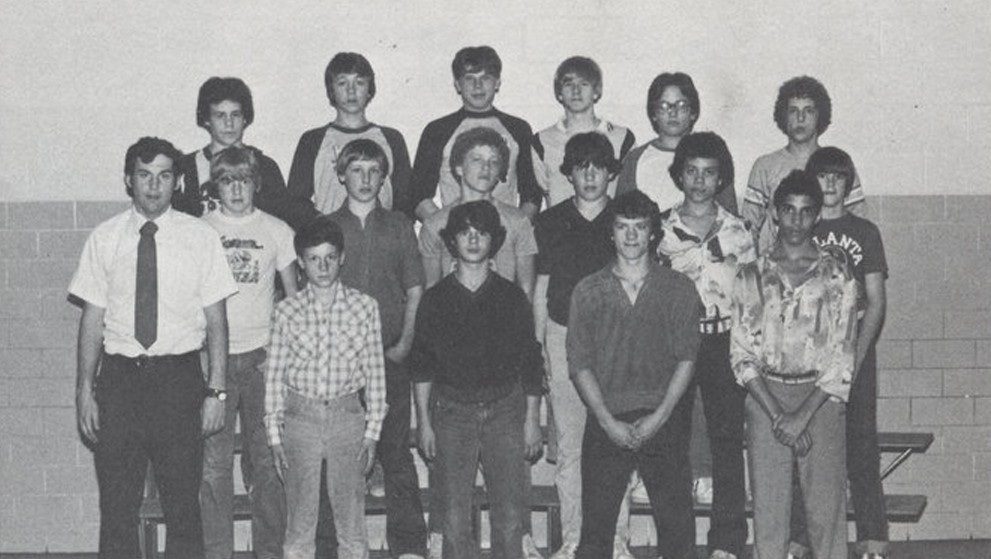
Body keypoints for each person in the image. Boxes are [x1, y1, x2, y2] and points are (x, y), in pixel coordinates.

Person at [70, 137, 236, 559]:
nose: (154, 186)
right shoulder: (105, 238)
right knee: (117, 508)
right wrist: (85, 390)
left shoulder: (201, 237)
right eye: (144, 175)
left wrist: (216, 392)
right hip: (120, 383)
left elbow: (217, 322)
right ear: (129, 180)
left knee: (183, 508)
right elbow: (91, 321)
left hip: (178, 382)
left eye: (164, 176)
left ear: (177, 182)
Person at [730, 170, 858, 559]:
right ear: (774, 212)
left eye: (806, 211)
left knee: (825, 511)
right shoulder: (751, 274)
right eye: (788, 210)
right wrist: (778, 416)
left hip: (820, 399)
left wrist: (802, 416)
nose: (796, 221)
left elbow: (842, 354)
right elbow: (741, 353)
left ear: (817, 215)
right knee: (769, 512)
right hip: (766, 396)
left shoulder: (836, 274)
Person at [568, 190, 702, 559]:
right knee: (594, 538)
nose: (630, 236)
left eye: (639, 227)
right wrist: (607, 421)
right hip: (607, 417)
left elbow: (687, 358)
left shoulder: (678, 288)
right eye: (622, 227)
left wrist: (660, 417)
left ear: (653, 232)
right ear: (610, 232)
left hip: (664, 418)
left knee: (678, 536)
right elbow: (579, 364)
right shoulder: (589, 290)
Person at [411, 200, 545, 559]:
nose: (473, 240)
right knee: (454, 518)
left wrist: (532, 420)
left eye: (481, 233)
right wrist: (424, 422)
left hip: (505, 411)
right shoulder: (435, 300)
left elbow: (530, 362)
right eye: (465, 232)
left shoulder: (511, 297)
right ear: (452, 241)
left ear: (494, 241)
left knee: (510, 516)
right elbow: (422, 367)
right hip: (452, 413)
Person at [533, 132, 639, 559]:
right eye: (582, 167)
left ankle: (616, 541)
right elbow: (541, 288)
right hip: (562, 335)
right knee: (571, 445)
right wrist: (540, 346)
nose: (591, 175)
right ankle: (575, 539)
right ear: (569, 174)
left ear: (612, 173)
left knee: (616, 442)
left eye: (599, 166)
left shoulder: (625, 218)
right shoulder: (550, 221)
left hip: (616, 340)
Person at [323, 139, 428, 559]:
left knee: (395, 452)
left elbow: (415, 290)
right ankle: (333, 545)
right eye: (356, 170)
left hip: (388, 356)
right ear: (341, 175)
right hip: (339, 363)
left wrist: (404, 344)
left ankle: (409, 546)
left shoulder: (399, 225)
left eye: (373, 171)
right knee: (338, 455)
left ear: (384, 178)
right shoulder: (328, 227)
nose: (365, 179)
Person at [265, 216, 388, 559]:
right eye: (314, 259)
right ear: (301, 263)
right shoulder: (286, 311)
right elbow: (274, 376)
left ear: (342, 258)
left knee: (351, 520)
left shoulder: (365, 307)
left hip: (347, 417)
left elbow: (375, 373)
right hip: (300, 418)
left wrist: (372, 433)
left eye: (330, 257)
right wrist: (274, 435)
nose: (323, 267)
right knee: (299, 520)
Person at [656, 132, 755, 559]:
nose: (699, 181)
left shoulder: (739, 231)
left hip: (723, 342)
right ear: (679, 175)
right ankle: (676, 543)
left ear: (721, 178)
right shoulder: (659, 229)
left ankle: (727, 542)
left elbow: (750, 296)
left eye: (709, 173)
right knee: (672, 442)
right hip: (675, 346)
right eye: (691, 172)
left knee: (727, 442)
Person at [787, 147, 887, 559]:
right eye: (822, 175)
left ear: (848, 183)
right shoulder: (800, 228)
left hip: (856, 350)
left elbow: (876, 302)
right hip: (808, 353)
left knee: (860, 445)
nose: (829, 183)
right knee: (805, 443)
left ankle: (872, 539)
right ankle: (800, 538)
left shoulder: (865, 232)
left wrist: (855, 359)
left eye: (838, 176)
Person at [200, 147, 298, 559]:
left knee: (268, 463)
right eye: (227, 181)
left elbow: (294, 299)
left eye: (243, 180)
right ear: (215, 187)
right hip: (214, 363)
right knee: (214, 467)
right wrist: (203, 357)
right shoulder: (200, 230)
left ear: (256, 184)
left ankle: (269, 552)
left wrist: (281, 354)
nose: (236, 189)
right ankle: (217, 552)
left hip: (262, 361)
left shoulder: (277, 230)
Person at [409, 45, 542, 222]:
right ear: (457, 84)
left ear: (497, 83)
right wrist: (445, 229)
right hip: (454, 232)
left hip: (505, 233)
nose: (477, 86)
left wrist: (516, 229)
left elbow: (532, 193)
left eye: (485, 78)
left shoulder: (518, 128)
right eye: (469, 78)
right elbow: (418, 194)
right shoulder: (437, 130)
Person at [743, 76, 865, 255]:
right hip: (780, 264)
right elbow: (747, 230)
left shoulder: (837, 164)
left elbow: (860, 224)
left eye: (808, 111)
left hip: (830, 263)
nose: (800, 118)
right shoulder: (765, 166)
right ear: (783, 116)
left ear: (820, 115)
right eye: (793, 111)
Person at [287, 52, 413, 218]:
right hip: (329, 231)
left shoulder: (391, 138)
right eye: (342, 83)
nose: (351, 91)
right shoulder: (312, 140)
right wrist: (322, 226)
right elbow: (296, 201)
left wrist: (391, 227)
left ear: (369, 89)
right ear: (332, 90)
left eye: (359, 83)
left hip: (380, 231)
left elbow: (405, 198)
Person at [418, 126, 537, 299]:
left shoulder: (517, 221)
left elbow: (527, 290)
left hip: (504, 313)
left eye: (494, 162)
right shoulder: (435, 224)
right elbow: (430, 288)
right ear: (459, 167)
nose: (486, 168)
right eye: (476, 160)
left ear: (500, 171)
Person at [173, 77, 307, 229]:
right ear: (207, 120)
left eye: (235, 115)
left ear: (244, 118)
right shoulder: (186, 167)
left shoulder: (265, 166)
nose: (229, 123)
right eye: (220, 115)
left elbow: (282, 221)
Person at [616, 72, 737, 214]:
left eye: (681, 105)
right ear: (654, 114)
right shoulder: (635, 159)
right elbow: (620, 213)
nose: (672, 113)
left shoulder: (712, 154)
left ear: (693, 112)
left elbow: (729, 214)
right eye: (664, 106)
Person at [531, 56, 635, 208]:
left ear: (596, 91)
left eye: (584, 84)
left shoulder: (622, 138)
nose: (576, 91)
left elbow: (627, 194)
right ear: (559, 93)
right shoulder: (542, 141)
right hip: (561, 222)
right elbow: (545, 195)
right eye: (568, 84)